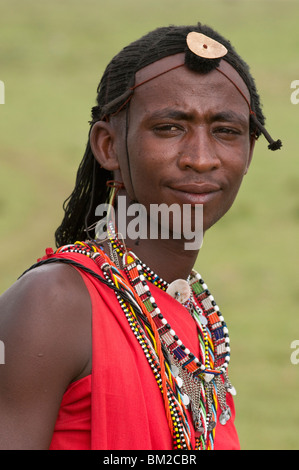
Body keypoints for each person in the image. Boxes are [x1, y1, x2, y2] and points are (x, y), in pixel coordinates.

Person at [0, 22, 281, 451]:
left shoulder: (193, 315)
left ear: (249, 154)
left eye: (225, 131)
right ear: (108, 146)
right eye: (170, 127)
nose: (201, 159)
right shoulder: (53, 304)